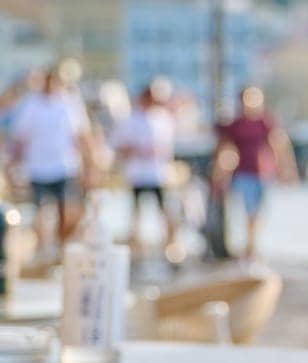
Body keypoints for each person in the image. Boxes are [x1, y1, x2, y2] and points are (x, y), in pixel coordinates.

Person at [7, 67, 95, 255]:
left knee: (66, 210)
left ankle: (60, 248)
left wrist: (90, 162)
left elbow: (81, 135)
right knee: (39, 210)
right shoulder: (31, 104)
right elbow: (21, 137)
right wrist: (13, 163)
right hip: (38, 167)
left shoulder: (70, 104)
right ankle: (42, 249)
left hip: (64, 166)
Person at [214, 86, 299, 261]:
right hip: (243, 173)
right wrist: (220, 173)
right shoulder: (236, 125)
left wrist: (286, 168)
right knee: (248, 209)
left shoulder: (265, 122)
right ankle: (250, 246)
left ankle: (252, 244)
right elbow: (227, 150)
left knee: (258, 211)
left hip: (264, 173)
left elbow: (279, 144)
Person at [111, 78, 179, 260]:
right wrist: (137, 150)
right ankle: (136, 243)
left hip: (158, 173)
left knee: (164, 209)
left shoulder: (163, 118)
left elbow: (168, 147)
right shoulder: (131, 119)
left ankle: (170, 244)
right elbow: (119, 146)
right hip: (137, 173)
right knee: (136, 211)